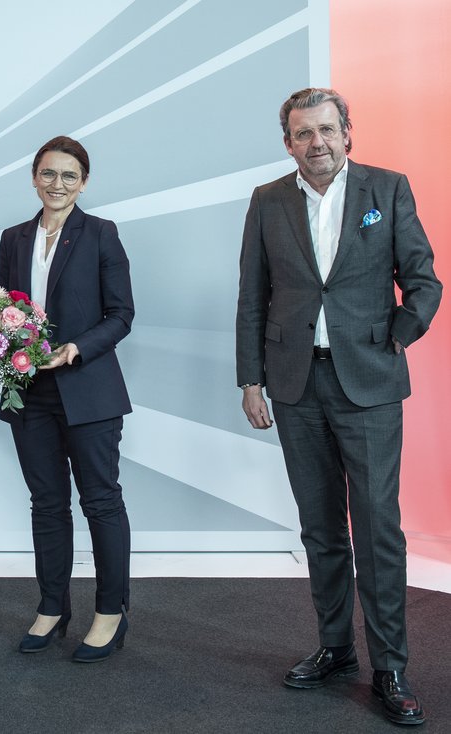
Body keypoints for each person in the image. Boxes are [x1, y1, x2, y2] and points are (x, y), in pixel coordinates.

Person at [236, 88, 441, 726]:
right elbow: (253, 295)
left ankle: (391, 667)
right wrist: (250, 380)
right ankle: (334, 647)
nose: (315, 143)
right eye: (302, 134)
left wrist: (395, 336)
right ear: (288, 141)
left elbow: (424, 278)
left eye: (326, 130)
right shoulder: (268, 200)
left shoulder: (388, 188)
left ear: (347, 133)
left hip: (369, 386)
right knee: (320, 527)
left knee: (377, 528)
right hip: (295, 385)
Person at [0, 135, 134, 662]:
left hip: (89, 391)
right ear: (34, 178)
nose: (57, 184)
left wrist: (76, 348)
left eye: (69, 176)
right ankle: (52, 608)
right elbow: (3, 309)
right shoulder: (13, 239)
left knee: (100, 502)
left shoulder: (101, 234)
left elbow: (122, 314)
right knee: (47, 504)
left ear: (84, 183)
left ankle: (110, 613)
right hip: (29, 393)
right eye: (48, 174)